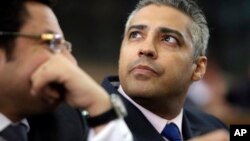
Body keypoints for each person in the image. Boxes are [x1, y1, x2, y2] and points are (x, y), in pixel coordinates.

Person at [94, 0, 229, 140]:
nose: (146, 49)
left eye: (168, 39)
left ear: (198, 68)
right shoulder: (81, 125)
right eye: (135, 35)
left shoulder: (214, 129)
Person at [0, 0, 132, 141]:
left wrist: (103, 111)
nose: (71, 62)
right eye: (50, 43)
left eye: (65, 47)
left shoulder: (67, 122)